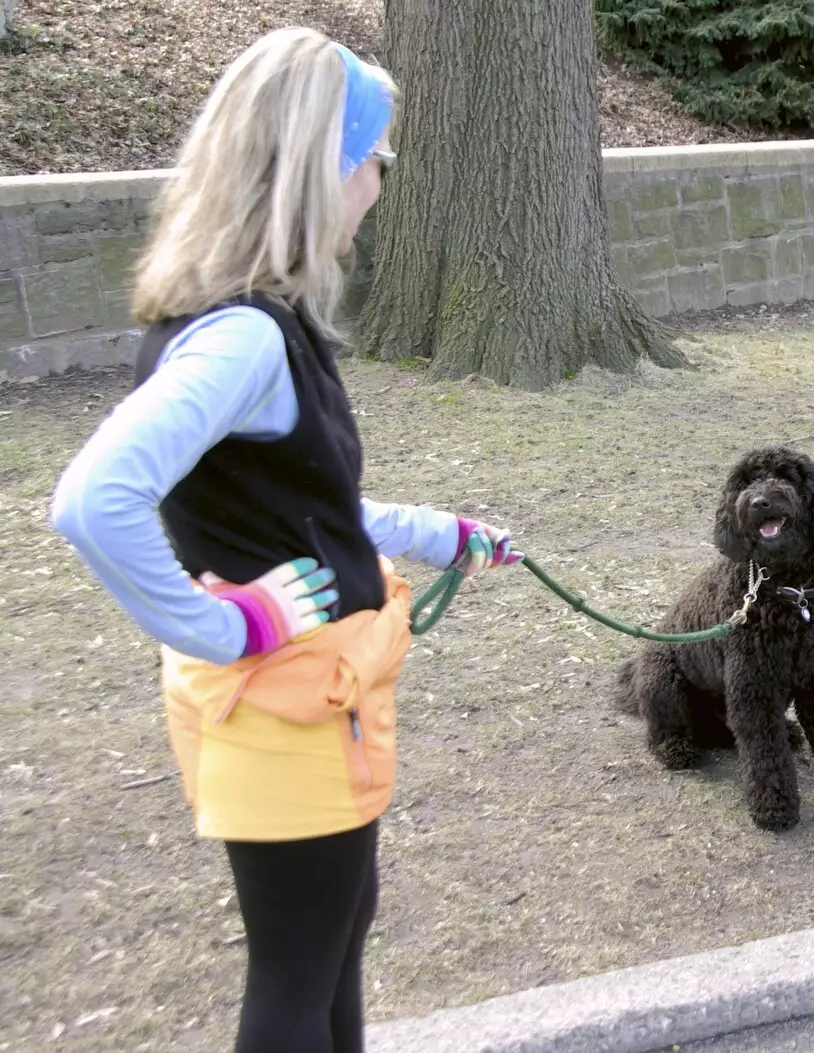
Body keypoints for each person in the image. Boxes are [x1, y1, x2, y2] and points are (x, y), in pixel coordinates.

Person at [50, 28, 521, 1053]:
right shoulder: (245, 335)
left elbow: (298, 510)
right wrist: (225, 628)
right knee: (297, 984)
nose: (378, 189)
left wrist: (442, 536)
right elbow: (93, 499)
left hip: (314, 705)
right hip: (285, 710)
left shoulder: (245, 325)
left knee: (332, 945)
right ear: (321, 169)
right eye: (375, 161)